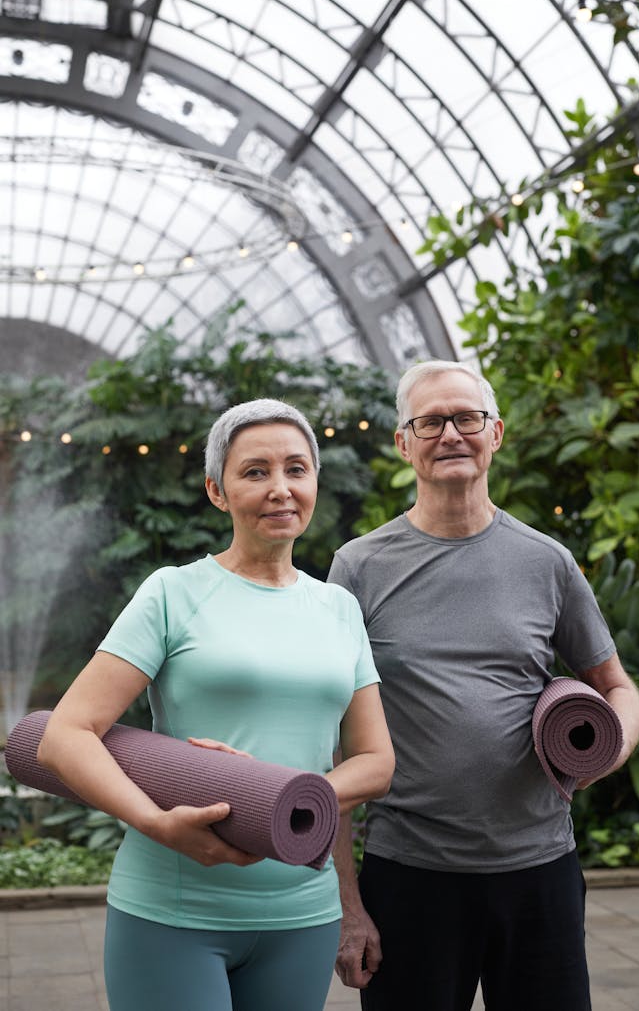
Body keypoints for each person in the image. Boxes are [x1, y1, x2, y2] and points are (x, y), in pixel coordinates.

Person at [38, 398, 394, 1011]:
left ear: (314, 481)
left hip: (301, 914)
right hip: (174, 907)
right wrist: (157, 824)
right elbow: (64, 735)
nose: (280, 489)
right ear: (217, 490)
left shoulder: (338, 608)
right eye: (255, 472)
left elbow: (376, 761)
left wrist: (278, 798)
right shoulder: (174, 593)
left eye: (296, 469)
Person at [327, 360, 639, 1011]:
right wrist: (348, 905)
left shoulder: (546, 562)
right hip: (409, 876)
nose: (450, 434)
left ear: (495, 433)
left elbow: (618, 688)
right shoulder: (357, 568)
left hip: (539, 872)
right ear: (403, 442)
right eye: (430, 420)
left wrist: (608, 753)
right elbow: (331, 739)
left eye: (466, 417)